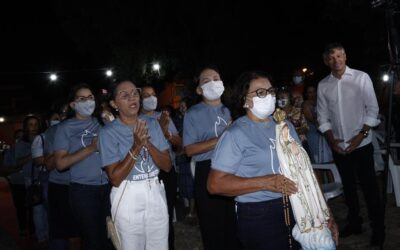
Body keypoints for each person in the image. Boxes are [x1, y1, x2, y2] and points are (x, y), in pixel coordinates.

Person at [208, 71, 302, 249]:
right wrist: (266, 182)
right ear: (245, 99)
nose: (268, 96)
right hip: (259, 213)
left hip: (296, 204)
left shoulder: (285, 125)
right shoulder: (235, 134)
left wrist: (324, 214)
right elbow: (215, 185)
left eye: (271, 91)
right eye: (260, 93)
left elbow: (305, 169)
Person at [317, 43, 385, 247]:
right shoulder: (323, 85)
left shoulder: (361, 77)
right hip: (338, 146)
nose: (336, 60)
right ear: (326, 61)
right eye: (331, 57)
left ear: (345, 57)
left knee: (370, 188)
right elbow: (322, 116)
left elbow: (373, 110)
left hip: (362, 144)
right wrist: (331, 139)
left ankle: (378, 230)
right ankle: (354, 223)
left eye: (339, 55)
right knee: (348, 188)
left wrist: (359, 137)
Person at [98, 80, 171, 250]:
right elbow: (115, 178)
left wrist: (147, 144)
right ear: (114, 104)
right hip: (127, 194)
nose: (132, 98)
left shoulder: (152, 123)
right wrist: (137, 146)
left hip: (155, 190)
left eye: (134, 93)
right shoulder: (108, 133)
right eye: (124, 95)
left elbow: (167, 166)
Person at [183, 65, 239, 250]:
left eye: (216, 78)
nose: (213, 83)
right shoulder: (193, 114)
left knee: (235, 223)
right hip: (208, 168)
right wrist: (222, 138)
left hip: (236, 167)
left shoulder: (234, 109)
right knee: (213, 226)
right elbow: (189, 150)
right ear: (199, 90)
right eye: (207, 81)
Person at [54, 83, 111, 250]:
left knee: (111, 236)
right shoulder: (65, 128)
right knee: (92, 239)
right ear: (73, 104)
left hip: (109, 185)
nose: (88, 101)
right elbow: (60, 163)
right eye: (82, 99)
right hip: (83, 191)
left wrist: (112, 124)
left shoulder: (102, 122)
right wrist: (91, 148)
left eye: (91, 97)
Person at [140, 85, 182, 250]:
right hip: (146, 174)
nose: (151, 98)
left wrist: (166, 133)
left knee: (166, 215)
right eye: (146, 95)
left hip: (166, 172)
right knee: (147, 218)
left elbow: (179, 143)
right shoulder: (135, 119)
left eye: (153, 94)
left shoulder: (164, 117)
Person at [44, 106, 80, 250]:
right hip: (60, 187)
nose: (64, 116)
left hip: (83, 185)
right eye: (61, 114)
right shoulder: (53, 131)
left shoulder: (87, 128)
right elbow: (49, 164)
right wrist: (63, 146)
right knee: (64, 233)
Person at [16, 115, 49, 247]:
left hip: (46, 176)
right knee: (37, 210)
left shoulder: (45, 139)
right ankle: (41, 237)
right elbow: (19, 161)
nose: (34, 127)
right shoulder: (21, 143)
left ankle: (49, 235)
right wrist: (35, 153)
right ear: (25, 127)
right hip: (32, 179)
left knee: (48, 209)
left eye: (36, 124)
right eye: (30, 124)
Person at [302, 85, 333, 163]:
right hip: (314, 135)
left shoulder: (321, 101)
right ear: (306, 94)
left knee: (329, 160)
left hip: (325, 134)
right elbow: (313, 120)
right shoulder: (306, 104)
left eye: (314, 91)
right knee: (318, 160)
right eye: (310, 92)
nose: (313, 94)